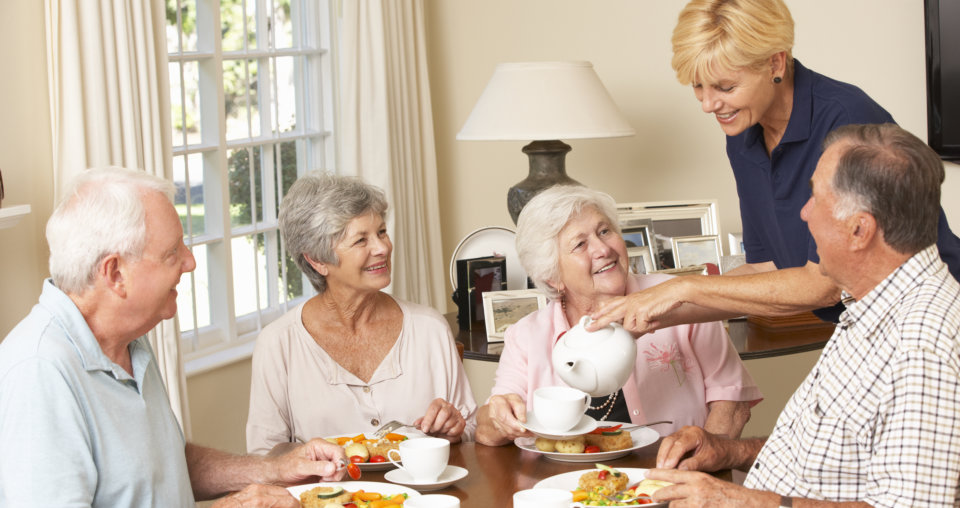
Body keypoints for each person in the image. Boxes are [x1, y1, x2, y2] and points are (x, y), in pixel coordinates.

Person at [589, 0, 960, 334]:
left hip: (927, 321)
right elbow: (766, 268)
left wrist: (681, 287)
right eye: (698, 86)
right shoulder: (744, 131)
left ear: (775, 64)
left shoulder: (847, 120)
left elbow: (825, 284)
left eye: (724, 87)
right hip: (863, 327)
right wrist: (650, 315)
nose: (707, 104)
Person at [648, 123, 960, 507]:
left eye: (815, 197)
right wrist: (729, 452)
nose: (804, 212)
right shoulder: (873, 303)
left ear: (859, 231)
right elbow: (838, 461)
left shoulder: (923, 343)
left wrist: (743, 501)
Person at [0, 167, 347, 508]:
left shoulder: (130, 340)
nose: (191, 262)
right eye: (172, 253)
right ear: (115, 273)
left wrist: (275, 469)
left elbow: (165, 465)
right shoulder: (37, 372)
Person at [475, 185, 762, 446]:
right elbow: (487, 430)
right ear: (552, 278)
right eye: (580, 244)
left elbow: (732, 403)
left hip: (673, 480)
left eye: (604, 231)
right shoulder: (527, 335)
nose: (603, 249)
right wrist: (501, 415)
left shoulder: (678, 298)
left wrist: (699, 463)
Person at [246, 172, 477, 454]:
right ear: (317, 260)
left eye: (381, 232)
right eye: (361, 240)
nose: (382, 248)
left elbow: (471, 430)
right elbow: (265, 453)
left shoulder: (429, 328)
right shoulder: (279, 343)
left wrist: (455, 429)